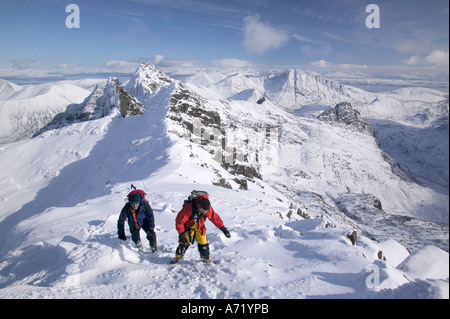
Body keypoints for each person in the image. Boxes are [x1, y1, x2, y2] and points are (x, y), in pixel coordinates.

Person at [171, 193, 231, 263]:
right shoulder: (188, 208)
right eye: (203, 211)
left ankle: (206, 259)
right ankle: (178, 258)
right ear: (198, 206)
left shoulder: (208, 209)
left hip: (200, 228)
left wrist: (223, 229)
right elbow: (179, 221)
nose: (204, 213)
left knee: (204, 244)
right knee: (183, 243)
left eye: (206, 211)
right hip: (188, 228)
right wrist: (181, 234)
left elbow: (215, 218)